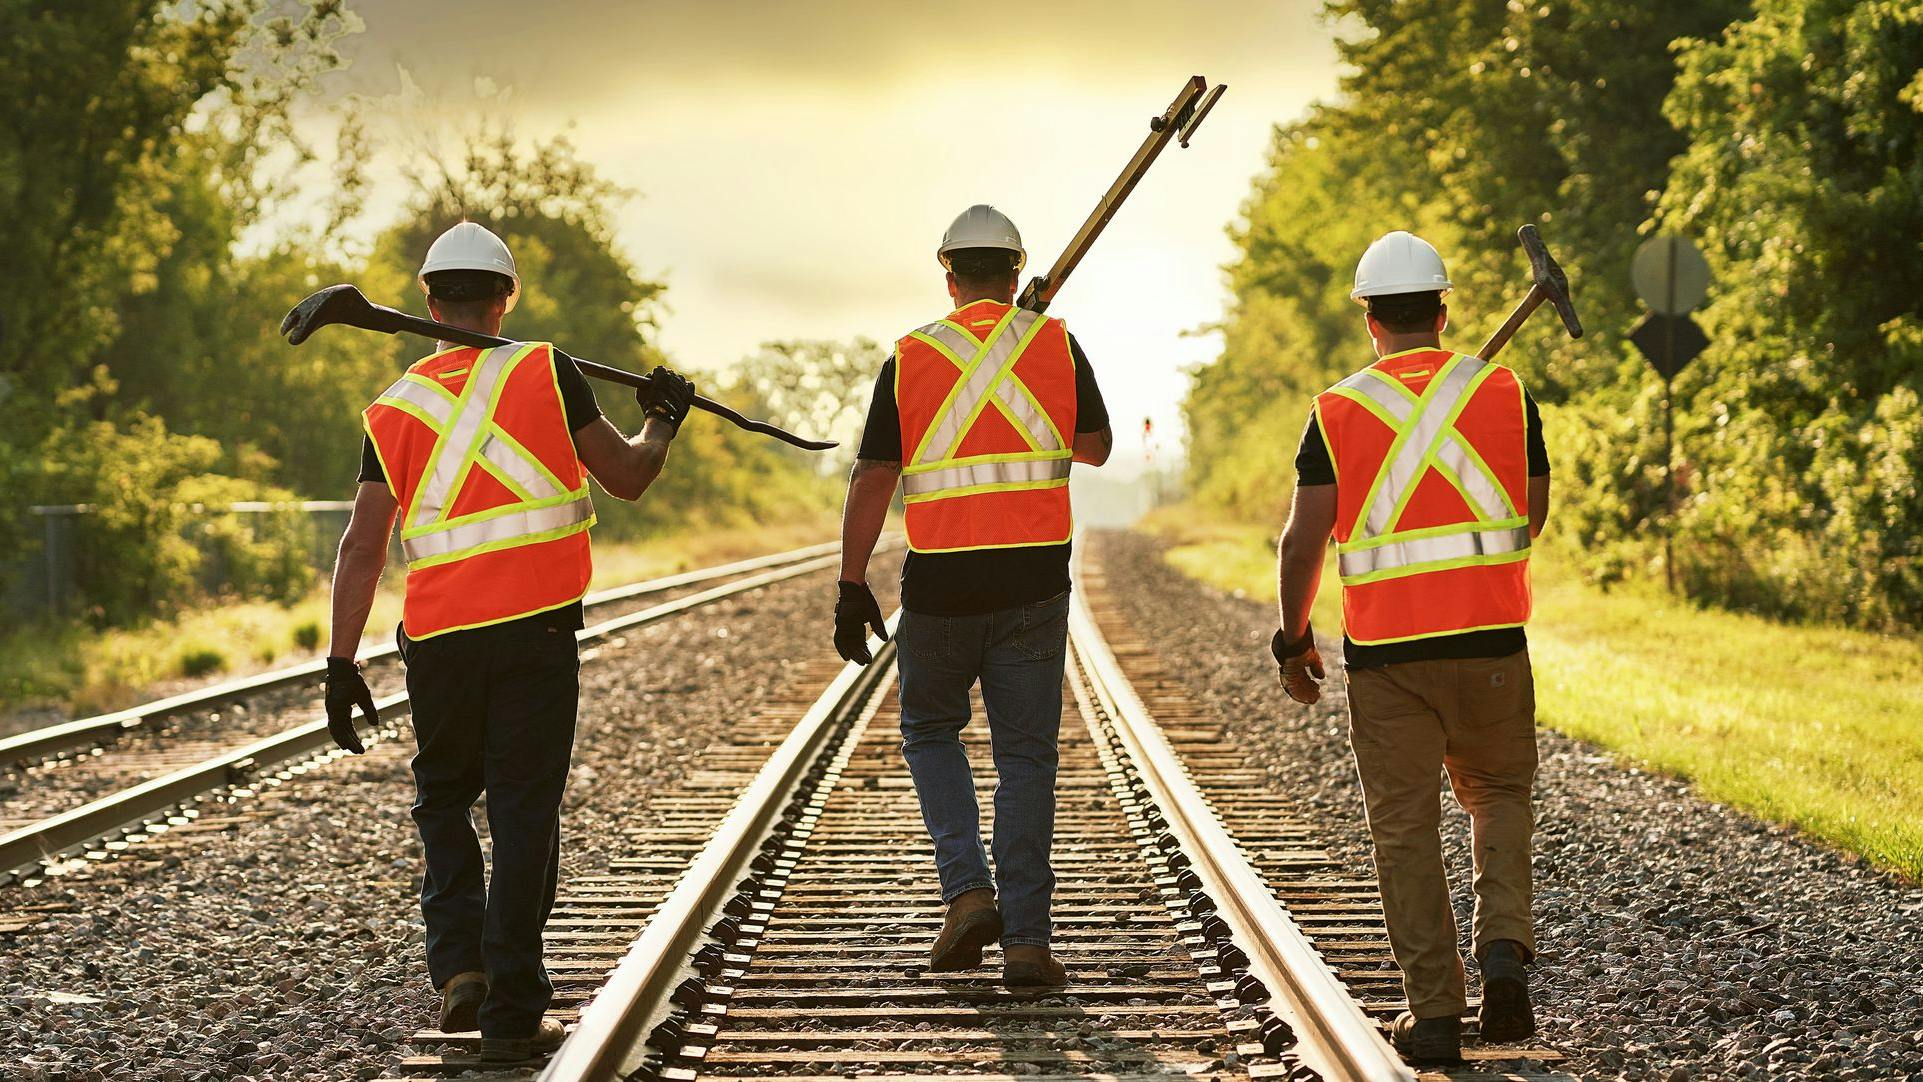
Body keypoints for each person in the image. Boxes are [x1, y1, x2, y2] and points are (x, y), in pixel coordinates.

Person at [321, 221, 697, 1063]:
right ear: (507, 297)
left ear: (428, 300)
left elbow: (361, 543)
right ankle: (514, 1007)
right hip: (536, 630)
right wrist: (662, 421)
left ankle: (459, 966)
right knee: (523, 811)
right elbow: (630, 476)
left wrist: (341, 661)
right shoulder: (545, 369)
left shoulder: (395, 406)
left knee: (444, 798)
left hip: (441, 638)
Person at [1269, 230, 1551, 1064]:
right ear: (1441, 308)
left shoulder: (1336, 409)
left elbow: (1302, 539)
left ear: (1368, 318)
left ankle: (1432, 1014)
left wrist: (1292, 637)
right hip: (1492, 640)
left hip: (1388, 655)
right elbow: (1529, 511)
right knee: (1498, 793)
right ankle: (1502, 948)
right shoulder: (1502, 390)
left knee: (1404, 828)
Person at [834, 205, 1113, 990]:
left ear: (948, 274)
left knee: (929, 734)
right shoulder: (1054, 343)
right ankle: (1026, 943)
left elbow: (873, 477)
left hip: (941, 588)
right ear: (1017, 274)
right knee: (1027, 760)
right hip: (1032, 584)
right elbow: (1095, 449)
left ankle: (966, 891)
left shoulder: (911, 355)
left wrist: (851, 583)